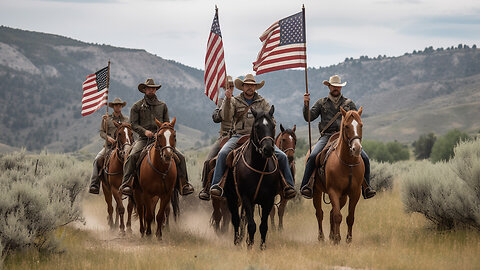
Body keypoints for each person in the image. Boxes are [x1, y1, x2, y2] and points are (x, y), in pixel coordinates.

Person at [208, 74, 296, 199]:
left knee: (281, 156)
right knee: (223, 154)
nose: (250, 87)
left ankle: (288, 186)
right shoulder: (234, 101)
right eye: (247, 85)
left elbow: (272, 121)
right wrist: (227, 100)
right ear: (243, 87)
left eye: (252, 85)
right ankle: (216, 185)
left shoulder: (263, 102)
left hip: (260, 139)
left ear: (255, 87)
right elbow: (226, 116)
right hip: (239, 136)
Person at [300, 75, 376, 199]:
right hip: (327, 136)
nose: (336, 88)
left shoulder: (349, 103)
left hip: (346, 137)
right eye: (333, 86)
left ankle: (367, 187)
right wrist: (306, 104)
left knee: (365, 158)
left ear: (340, 87)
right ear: (329, 87)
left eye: (338, 86)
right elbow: (308, 117)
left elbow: (356, 120)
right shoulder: (321, 102)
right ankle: (306, 186)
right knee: (313, 156)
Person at [119, 79, 194, 196]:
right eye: (149, 88)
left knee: (181, 157)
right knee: (133, 155)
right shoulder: (136, 106)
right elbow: (133, 124)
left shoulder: (162, 106)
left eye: (153, 88)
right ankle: (127, 183)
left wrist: (162, 132)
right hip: (144, 139)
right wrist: (145, 132)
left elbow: (167, 124)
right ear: (144, 90)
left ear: (155, 90)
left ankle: (184, 184)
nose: (151, 90)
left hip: (161, 139)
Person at [198, 76, 234, 201]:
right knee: (208, 161)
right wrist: (224, 104)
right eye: (226, 86)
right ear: (223, 88)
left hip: (239, 135)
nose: (229, 88)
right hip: (224, 136)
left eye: (231, 86)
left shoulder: (239, 101)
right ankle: (206, 188)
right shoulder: (220, 101)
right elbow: (216, 117)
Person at [88, 98, 129, 194]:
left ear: (121, 106)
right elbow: (101, 132)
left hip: (124, 146)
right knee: (98, 159)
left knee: (133, 159)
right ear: (113, 107)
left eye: (119, 105)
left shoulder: (126, 119)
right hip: (109, 146)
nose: (118, 107)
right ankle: (94, 184)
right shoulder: (107, 119)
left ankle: (133, 184)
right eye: (116, 105)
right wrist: (108, 138)